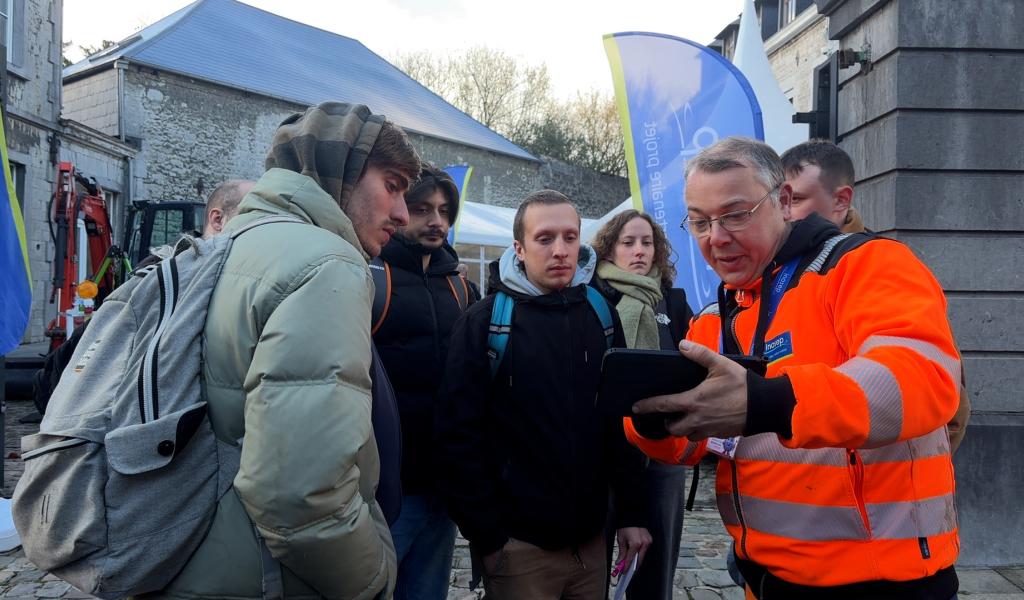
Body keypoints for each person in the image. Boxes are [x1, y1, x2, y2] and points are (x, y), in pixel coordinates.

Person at [627, 137, 961, 599]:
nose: (715, 237)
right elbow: (688, 447)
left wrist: (769, 401)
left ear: (784, 202)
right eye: (700, 222)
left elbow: (922, 379)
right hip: (765, 578)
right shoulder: (715, 319)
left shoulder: (867, 264)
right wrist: (652, 420)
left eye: (735, 215)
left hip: (884, 583)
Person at [150, 101, 420, 599]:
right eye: (392, 185)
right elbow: (300, 496)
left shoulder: (231, 245)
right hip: (267, 578)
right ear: (342, 172)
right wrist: (373, 578)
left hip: (193, 561)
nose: (402, 214)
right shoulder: (324, 263)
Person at [436, 190, 651, 599]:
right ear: (519, 248)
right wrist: (489, 537)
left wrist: (631, 514)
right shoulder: (485, 322)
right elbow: (456, 436)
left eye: (570, 237)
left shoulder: (601, 313)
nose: (560, 250)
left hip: (590, 542)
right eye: (545, 238)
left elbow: (620, 423)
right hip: (518, 547)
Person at [781, 139, 971, 452]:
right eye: (779, 200)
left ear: (841, 200)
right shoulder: (785, 271)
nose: (785, 213)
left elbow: (949, 402)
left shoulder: (882, 265)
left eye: (796, 199)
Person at [371, 164, 472, 599]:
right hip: (386, 488)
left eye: (445, 211)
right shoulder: (371, 276)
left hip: (443, 483)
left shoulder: (460, 287)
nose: (436, 221)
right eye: (422, 209)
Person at [590, 210, 691, 600]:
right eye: (628, 242)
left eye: (646, 242)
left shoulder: (673, 300)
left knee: (655, 570)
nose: (639, 251)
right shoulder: (593, 297)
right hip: (602, 453)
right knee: (591, 571)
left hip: (660, 452)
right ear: (609, 249)